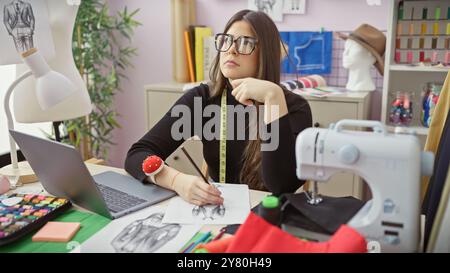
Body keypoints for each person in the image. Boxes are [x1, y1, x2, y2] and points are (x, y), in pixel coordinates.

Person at [125, 9, 312, 206]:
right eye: (226, 40)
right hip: (218, 211)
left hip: (268, 216)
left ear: (266, 53)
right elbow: (137, 155)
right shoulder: (203, 99)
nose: (231, 49)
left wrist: (273, 98)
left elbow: (281, 186)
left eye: (245, 42)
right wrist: (176, 180)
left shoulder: (294, 107)